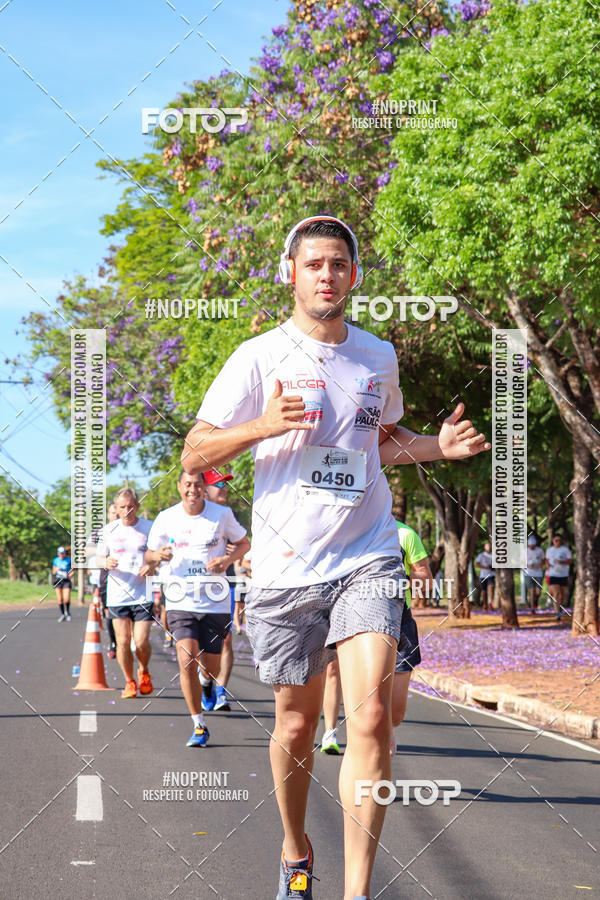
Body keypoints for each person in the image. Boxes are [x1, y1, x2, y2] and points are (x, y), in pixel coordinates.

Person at [181, 215, 489, 900]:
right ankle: (295, 845)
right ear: (289, 272)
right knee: (294, 722)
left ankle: (356, 892)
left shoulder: (377, 356)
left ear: (353, 275)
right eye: (313, 264)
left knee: (372, 716)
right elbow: (195, 452)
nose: (326, 275)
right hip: (288, 569)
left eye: (339, 265)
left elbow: (379, 441)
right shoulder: (257, 356)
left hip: (367, 555)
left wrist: (438, 447)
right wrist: (265, 424)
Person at [145, 470, 249, 747]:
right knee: (187, 657)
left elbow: (243, 544)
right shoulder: (166, 517)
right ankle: (199, 724)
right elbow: (149, 554)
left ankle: (207, 683)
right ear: (179, 487)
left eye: (198, 485)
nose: (192, 489)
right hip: (180, 600)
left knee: (210, 667)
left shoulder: (222, 514)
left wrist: (226, 562)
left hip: (215, 602)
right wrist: (157, 556)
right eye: (187, 484)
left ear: (204, 488)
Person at [320, 520, 434, 758]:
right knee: (334, 670)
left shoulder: (405, 534)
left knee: (397, 711)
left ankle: (387, 728)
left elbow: (425, 577)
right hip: (351, 612)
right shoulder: (345, 528)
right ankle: (331, 732)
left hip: (397, 618)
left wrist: (402, 581)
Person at [95, 488, 156, 698]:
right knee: (122, 642)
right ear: (116, 509)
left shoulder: (150, 527)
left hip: (143, 593)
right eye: (123, 507)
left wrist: (152, 566)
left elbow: (161, 555)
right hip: (117, 595)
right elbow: (96, 559)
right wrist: (105, 561)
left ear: (137, 506)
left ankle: (144, 670)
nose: (127, 510)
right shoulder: (108, 530)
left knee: (140, 641)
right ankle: (129, 681)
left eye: (131, 506)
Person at [199, 467, 242, 712]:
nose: (225, 489)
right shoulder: (189, 516)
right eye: (220, 485)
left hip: (224, 585)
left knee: (225, 642)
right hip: (193, 589)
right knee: (197, 644)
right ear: (205, 490)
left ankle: (221, 691)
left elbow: (243, 545)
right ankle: (205, 681)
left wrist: (232, 554)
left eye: (226, 484)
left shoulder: (227, 515)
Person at [545, 533, 572, 621]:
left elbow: (570, 561)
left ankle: (559, 608)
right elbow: (547, 561)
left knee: (561, 595)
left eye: (560, 540)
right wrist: (548, 567)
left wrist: (562, 563)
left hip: (563, 574)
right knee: (556, 594)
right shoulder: (549, 550)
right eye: (556, 540)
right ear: (553, 541)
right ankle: (557, 613)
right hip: (553, 574)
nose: (558, 542)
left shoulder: (565, 549)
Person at [524, 535, 545, 614]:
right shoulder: (525, 551)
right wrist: (528, 566)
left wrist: (540, 565)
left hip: (538, 573)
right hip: (528, 574)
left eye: (533, 545)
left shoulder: (540, 550)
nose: (532, 547)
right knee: (532, 591)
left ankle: (535, 601)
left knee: (538, 592)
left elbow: (544, 560)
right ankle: (532, 609)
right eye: (530, 545)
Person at [52, 546, 73, 621]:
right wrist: (57, 570)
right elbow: (53, 572)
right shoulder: (55, 560)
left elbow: (73, 570)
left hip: (66, 581)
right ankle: (62, 614)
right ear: (58, 553)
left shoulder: (69, 560)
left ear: (65, 553)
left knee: (66, 598)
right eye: (60, 553)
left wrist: (70, 575)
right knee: (60, 599)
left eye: (63, 553)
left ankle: (68, 613)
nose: (62, 554)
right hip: (58, 581)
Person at [475, 541, 495, 611]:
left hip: (491, 575)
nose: (488, 547)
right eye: (487, 546)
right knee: (484, 591)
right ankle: (485, 604)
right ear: (484, 547)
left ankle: (490, 603)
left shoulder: (493, 555)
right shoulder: (481, 555)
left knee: (491, 588)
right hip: (483, 575)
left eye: (489, 546)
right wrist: (484, 567)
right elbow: (477, 564)